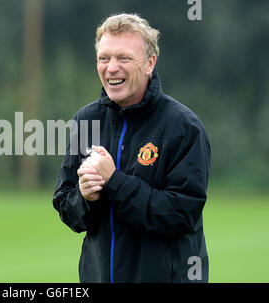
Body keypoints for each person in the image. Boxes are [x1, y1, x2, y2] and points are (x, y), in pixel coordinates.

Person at [52, 13, 211, 283]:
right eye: (104, 58)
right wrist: (85, 198)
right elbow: (67, 208)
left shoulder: (183, 126)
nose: (112, 67)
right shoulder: (86, 121)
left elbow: (180, 214)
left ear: (150, 63)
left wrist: (114, 181)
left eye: (123, 58)